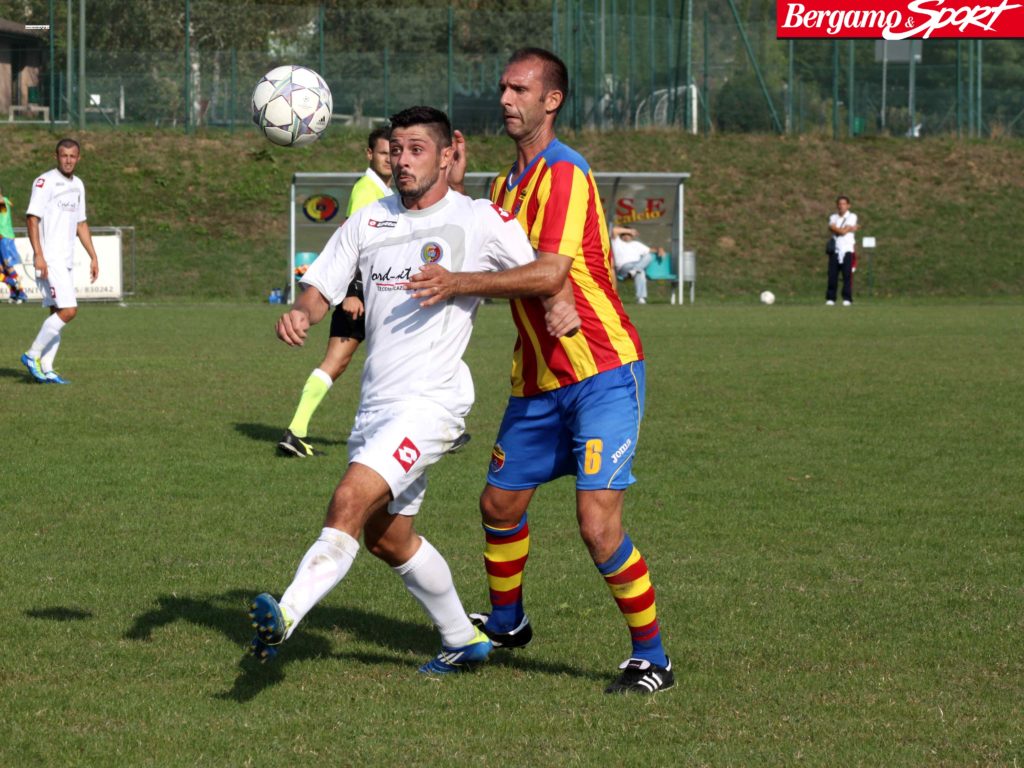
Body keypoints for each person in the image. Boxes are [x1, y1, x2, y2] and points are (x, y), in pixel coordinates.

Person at [248, 106, 579, 675]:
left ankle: (286, 614)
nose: (402, 161)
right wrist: (301, 312)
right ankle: (462, 640)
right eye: (397, 150)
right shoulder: (368, 220)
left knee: (349, 499)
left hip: (432, 402)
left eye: (416, 150)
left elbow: (540, 272)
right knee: (387, 537)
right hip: (376, 403)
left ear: (448, 154)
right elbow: (319, 287)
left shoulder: (476, 218)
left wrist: (560, 302)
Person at [408, 48, 673, 694]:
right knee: (499, 503)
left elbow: (551, 269)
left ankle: (653, 658)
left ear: (551, 101)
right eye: (503, 87)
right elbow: (498, 252)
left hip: (601, 372)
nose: (506, 98)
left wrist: (459, 282)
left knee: (598, 526)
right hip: (536, 381)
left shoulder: (567, 173)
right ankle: (507, 622)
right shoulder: (506, 187)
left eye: (520, 89)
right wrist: (458, 192)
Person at [277, 126, 390, 458]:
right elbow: (355, 242)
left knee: (337, 363)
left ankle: (296, 432)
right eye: (384, 153)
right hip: (363, 295)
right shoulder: (367, 190)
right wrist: (353, 291)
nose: (390, 159)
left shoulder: (383, 191)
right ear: (369, 154)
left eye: (394, 153)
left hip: (371, 292)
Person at [20, 139, 99, 384]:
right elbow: (32, 218)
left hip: (65, 259)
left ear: (78, 158)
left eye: (72, 156)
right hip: (50, 258)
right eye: (64, 155)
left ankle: (47, 367)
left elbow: (81, 223)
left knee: (56, 311)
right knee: (69, 310)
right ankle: (32, 355)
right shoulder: (45, 182)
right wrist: (38, 254)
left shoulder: (78, 185)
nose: (68, 160)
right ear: (56, 156)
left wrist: (93, 256)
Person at [610, 225, 663, 305]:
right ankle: (635, 270)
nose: (627, 236)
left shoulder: (636, 244)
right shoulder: (617, 242)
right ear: (621, 235)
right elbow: (614, 230)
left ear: (632, 236)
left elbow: (650, 250)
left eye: (629, 234)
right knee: (640, 270)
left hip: (634, 268)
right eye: (624, 234)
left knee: (646, 261)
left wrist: (659, 249)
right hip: (623, 268)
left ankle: (641, 298)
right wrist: (630, 231)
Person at [826, 195, 858, 306]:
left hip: (847, 249)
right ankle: (831, 298)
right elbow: (839, 229)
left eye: (844, 204)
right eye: (839, 204)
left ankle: (847, 298)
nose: (841, 206)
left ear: (848, 205)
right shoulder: (833, 217)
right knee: (832, 275)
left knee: (847, 275)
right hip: (835, 250)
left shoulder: (852, 216)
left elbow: (842, 231)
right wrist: (848, 229)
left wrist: (836, 229)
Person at [0, 185, 29, 304]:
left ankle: (21, 293)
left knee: (8, 266)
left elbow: (3, 219)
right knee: (2, 269)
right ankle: (14, 290)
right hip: (2, 237)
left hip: (4, 237)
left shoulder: (2, 203)